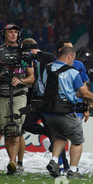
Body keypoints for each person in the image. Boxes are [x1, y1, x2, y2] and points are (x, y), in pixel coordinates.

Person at [43, 46, 93, 178]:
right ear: (69, 56)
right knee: (77, 141)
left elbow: (43, 88)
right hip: (66, 112)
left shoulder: (47, 69)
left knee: (59, 137)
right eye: (73, 59)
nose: (73, 62)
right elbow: (84, 93)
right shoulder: (72, 72)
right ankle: (73, 170)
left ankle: (54, 160)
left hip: (49, 112)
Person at [0, 24, 35, 175]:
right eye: (11, 32)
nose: (14, 34)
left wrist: (21, 81)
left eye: (16, 32)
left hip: (19, 94)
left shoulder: (25, 53)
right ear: (4, 34)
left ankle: (12, 162)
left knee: (14, 129)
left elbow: (31, 77)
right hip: (1, 95)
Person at [17, 38, 67, 173]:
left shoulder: (49, 57)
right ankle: (46, 132)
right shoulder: (25, 60)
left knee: (55, 135)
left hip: (48, 101)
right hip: (34, 100)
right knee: (26, 124)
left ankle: (63, 164)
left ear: (30, 48)